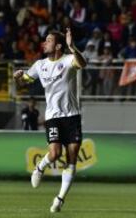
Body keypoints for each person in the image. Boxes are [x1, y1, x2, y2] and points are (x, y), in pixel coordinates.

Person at [13, 28, 86, 213]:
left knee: (71, 159)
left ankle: (60, 199)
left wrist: (72, 47)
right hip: (53, 116)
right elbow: (25, 81)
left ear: (59, 46)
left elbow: (82, 63)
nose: (44, 43)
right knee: (54, 153)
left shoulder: (68, 60)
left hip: (72, 116)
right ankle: (40, 167)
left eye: (49, 40)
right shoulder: (40, 65)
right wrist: (18, 78)